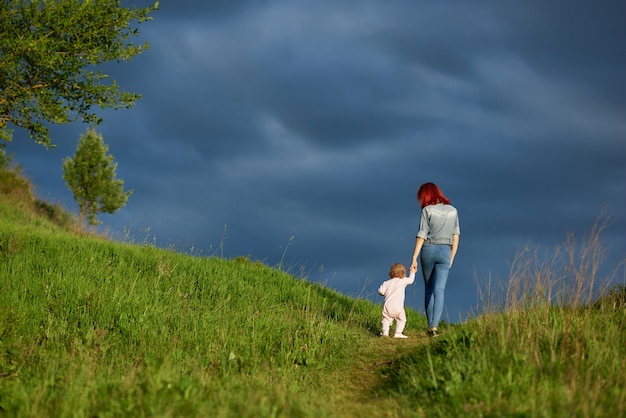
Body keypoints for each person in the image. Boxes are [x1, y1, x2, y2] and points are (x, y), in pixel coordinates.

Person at [410, 182, 460, 337]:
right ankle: (435, 327)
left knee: (429, 289)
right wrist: (452, 256)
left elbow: (422, 234)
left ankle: (430, 325)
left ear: (425, 195)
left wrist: (414, 258)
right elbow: (456, 235)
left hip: (428, 249)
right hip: (446, 250)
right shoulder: (453, 210)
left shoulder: (427, 210)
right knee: (440, 290)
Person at [378, 262, 417, 338]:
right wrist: (412, 272)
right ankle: (398, 333)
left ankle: (385, 333)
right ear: (403, 273)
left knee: (386, 319)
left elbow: (381, 291)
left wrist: (384, 293)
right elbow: (411, 280)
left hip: (387, 305)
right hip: (398, 306)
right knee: (401, 319)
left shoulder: (386, 283)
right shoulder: (402, 280)